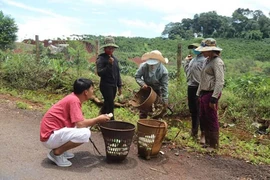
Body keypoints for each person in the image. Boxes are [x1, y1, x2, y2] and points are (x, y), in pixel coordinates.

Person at [40, 78, 111, 167]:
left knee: (85, 128)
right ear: (85, 92)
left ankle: (61, 150)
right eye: (92, 89)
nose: (93, 91)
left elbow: (79, 121)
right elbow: (80, 124)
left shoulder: (73, 98)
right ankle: (57, 153)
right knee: (85, 133)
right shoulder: (74, 101)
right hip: (49, 137)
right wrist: (97, 119)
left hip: (52, 133)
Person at [195, 38, 225, 149]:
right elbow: (202, 79)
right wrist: (198, 93)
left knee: (211, 117)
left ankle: (213, 144)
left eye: (204, 50)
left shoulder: (217, 62)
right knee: (203, 117)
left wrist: (214, 98)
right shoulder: (207, 60)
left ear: (211, 50)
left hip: (211, 93)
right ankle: (207, 142)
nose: (202, 52)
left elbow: (220, 81)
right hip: (204, 92)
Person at [183, 39, 206, 142]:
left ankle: (203, 134)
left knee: (200, 111)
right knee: (193, 110)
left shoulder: (204, 60)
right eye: (193, 48)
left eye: (195, 48)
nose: (194, 50)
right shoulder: (193, 60)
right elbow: (188, 73)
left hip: (199, 87)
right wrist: (186, 62)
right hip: (191, 86)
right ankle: (194, 132)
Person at [135, 50, 169, 119]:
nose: (152, 66)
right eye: (151, 64)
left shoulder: (164, 71)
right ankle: (142, 125)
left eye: (154, 64)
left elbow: (164, 86)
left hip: (157, 90)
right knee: (143, 110)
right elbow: (137, 76)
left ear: (159, 62)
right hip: (145, 89)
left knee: (156, 110)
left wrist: (165, 100)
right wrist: (143, 84)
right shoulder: (144, 67)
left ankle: (153, 124)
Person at [96, 36, 122, 120]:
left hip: (113, 85)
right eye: (108, 48)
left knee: (108, 102)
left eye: (112, 48)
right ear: (105, 48)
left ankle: (100, 117)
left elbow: (117, 73)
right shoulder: (101, 58)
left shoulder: (115, 60)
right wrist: (109, 65)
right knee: (110, 104)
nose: (110, 50)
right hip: (105, 85)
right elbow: (100, 73)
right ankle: (111, 121)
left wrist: (119, 86)